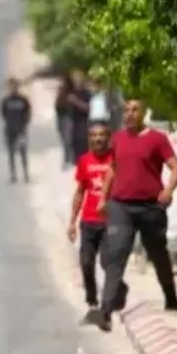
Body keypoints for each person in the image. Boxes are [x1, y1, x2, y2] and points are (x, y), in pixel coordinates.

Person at [86, 98, 177, 331]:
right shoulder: (118, 138)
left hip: (151, 207)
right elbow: (113, 169)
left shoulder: (157, 139)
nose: (129, 114)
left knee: (158, 255)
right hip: (121, 207)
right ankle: (106, 311)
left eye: (134, 110)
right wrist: (103, 198)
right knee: (116, 255)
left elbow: (176, 167)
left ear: (143, 113)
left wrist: (168, 190)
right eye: (126, 110)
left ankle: (171, 296)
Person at [68, 122, 113, 309]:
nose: (98, 138)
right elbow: (80, 192)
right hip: (89, 221)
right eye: (94, 135)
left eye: (101, 135)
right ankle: (92, 299)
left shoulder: (115, 160)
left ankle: (111, 298)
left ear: (107, 138)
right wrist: (72, 221)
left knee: (108, 262)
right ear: (89, 139)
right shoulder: (84, 161)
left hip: (111, 222)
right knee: (86, 262)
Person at [0, 78, 32, 183]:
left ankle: (25, 174)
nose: (13, 88)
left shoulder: (23, 100)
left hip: (21, 130)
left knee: (23, 152)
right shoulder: (5, 101)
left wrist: (24, 123)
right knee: (11, 153)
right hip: (10, 130)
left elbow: (28, 112)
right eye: (11, 87)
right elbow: (3, 113)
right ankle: (13, 175)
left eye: (15, 86)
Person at [66, 69, 92, 163]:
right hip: (74, 128)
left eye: (77, 80)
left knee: (85, 153)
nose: (76, 83)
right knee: (77, 156)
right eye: (74, 81)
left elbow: (88, 108)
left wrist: (75, 101)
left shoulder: (87, 94)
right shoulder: (72, 93)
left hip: (84, 127)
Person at [54, 77, 76, 166]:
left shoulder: (70, 94)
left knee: (67, 139)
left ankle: (69, 159)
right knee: (64, 139)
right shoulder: (61, 94)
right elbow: (57, 106)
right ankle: (67, 159)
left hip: (67, 117)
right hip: (61, 117)